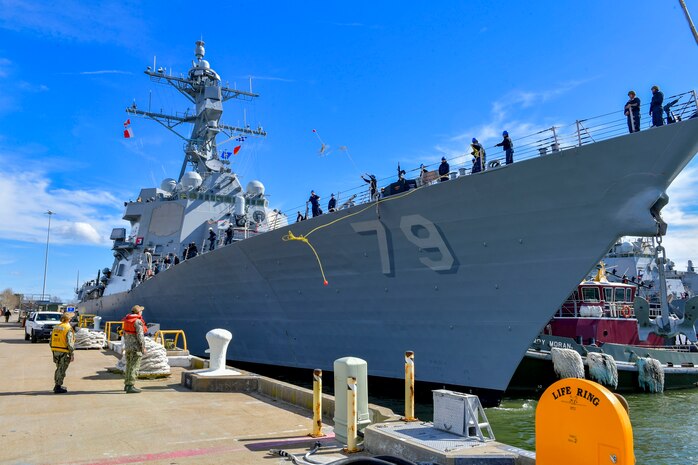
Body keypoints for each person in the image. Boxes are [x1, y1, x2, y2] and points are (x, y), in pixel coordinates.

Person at [122, 305, 147, 393]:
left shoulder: (126, 321)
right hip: (136, 348)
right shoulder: (137, 322)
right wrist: (143, 347)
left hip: (128, 347)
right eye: (141, 311)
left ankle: (127, 384)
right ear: (138, 312)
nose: (142, 312)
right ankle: (131, 386)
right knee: (134, 367)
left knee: (129, 366)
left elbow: (124, 334)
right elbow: (140, 336)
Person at [50, 312, 75, 394]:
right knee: (62, 369)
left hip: (55, 350)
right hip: (64, 351)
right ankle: (58, 387)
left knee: (58, 368)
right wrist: (72, 353)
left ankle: (57, 385)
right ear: (69, 319)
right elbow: (69, 342)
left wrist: (53, 349)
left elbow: (50, 341)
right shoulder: (68, 328)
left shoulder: (56, 327)